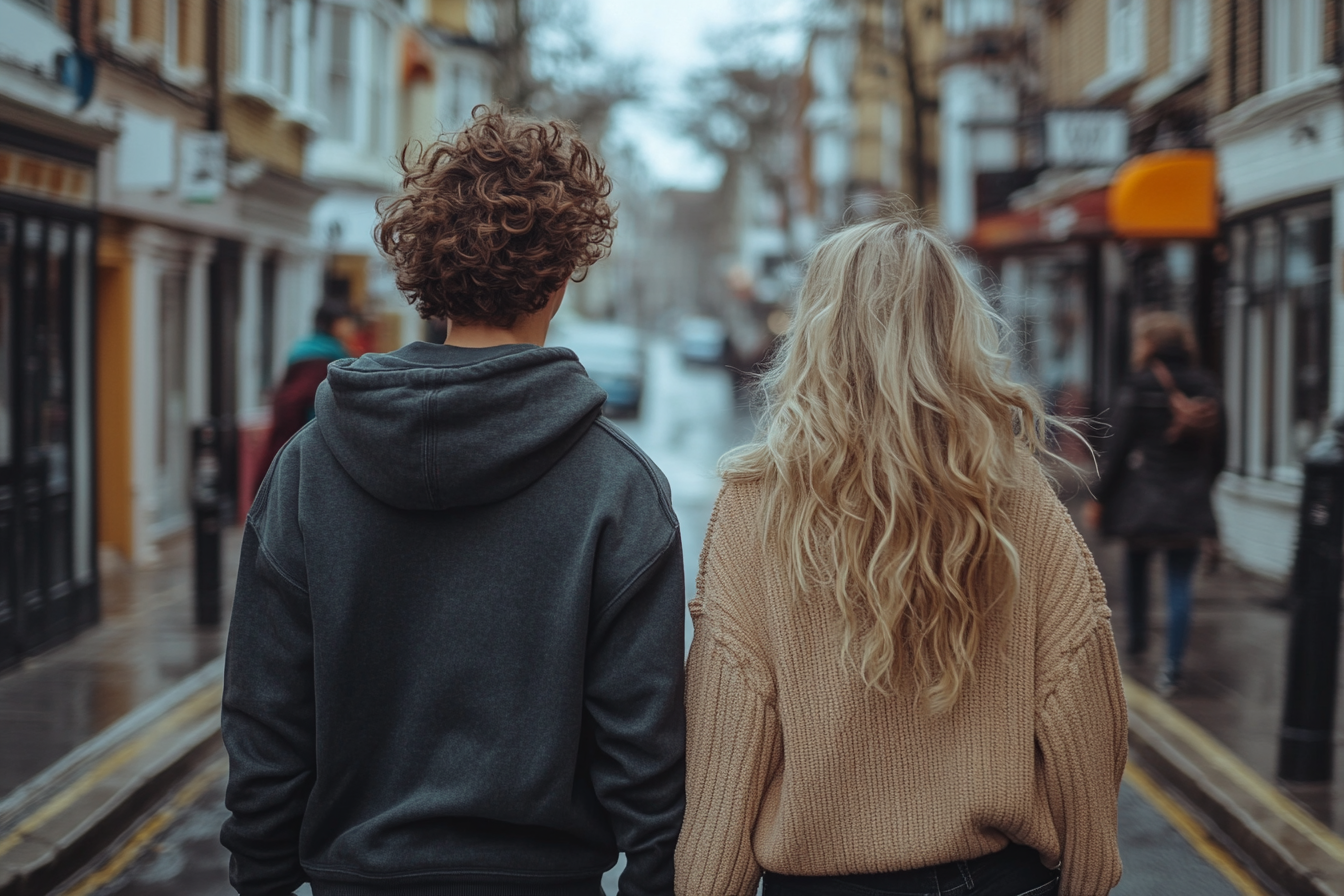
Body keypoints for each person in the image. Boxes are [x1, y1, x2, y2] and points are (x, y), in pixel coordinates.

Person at [220, 107, 687, 896]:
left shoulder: (308, 467)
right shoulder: (618, 485)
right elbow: (647, 749)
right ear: (560, 276)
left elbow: (266, 715)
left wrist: (263, 878)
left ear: (428, 269)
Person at [676, 217, 1126, 896]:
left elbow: (730, 729)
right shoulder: (1014, 493)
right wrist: (1088, 877)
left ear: (819, 331)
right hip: (998, 879)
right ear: (956, 330)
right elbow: (1081, 700)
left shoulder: (755, 502)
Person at [1086, 310, 1225, 697]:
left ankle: (1135, 645)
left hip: (1142, 499)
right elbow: (1221, 455)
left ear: (1148, 344)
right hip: (1190, 500)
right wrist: (1200, 485)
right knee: (1180, 582)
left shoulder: (1139, 386)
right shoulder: (1207, 386)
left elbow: (1117, 451)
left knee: (1136, 569)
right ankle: (1172, 668)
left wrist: (1101, 497)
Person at [259, 300, 354, 474]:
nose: (351, 327)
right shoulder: (334, 356)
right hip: (315, 433)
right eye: (346, 321)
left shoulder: (298, 348)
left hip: (289, 430)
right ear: (334, 323)